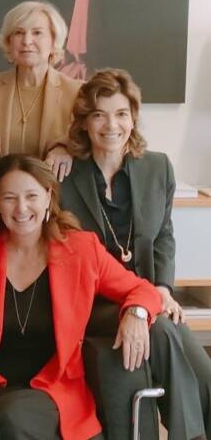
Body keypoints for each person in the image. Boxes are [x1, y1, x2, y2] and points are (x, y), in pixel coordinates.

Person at [0, 154, 163, 440]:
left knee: (16, 420)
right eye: (10, 198)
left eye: (31, 196)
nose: (21, 208)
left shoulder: (82, 249)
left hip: (54, 392)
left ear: (48, 197)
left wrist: (136, 313)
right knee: (9, 418)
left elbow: (143, 290)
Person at [61, 68, 211, 439]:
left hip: (147, 297)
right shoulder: (65, 174)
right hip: (93, 304)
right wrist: (140, 306)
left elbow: (163, 236)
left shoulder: (157, 167)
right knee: (162, 329)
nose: (111, 125)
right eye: (99, 115)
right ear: (84, 122)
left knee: (204, 373)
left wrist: (161, 288)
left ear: (133, 118)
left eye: (121, 114)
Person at [0, 0, 82, 181]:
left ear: (54, 41)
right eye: (19, 33)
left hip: (54, 192)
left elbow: (87, 141)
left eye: (37, 33)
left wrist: (66, 148)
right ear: (8, 41)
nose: (27, 41)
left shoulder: (76, 92)